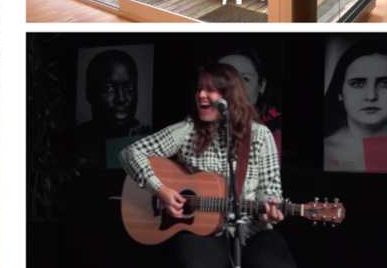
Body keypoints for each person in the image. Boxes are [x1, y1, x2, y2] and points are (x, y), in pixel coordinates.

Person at [119, 63, 294, 268]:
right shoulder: (187, 130)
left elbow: (270, 190)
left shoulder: (260, 135)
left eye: (210, 90)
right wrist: (159, 190)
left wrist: (269, 208)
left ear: (230, 96)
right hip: (199, 230)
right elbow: (130, 153)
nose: (201, 95)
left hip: (252, 230)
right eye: (199, 88)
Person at [324, 39, 387, 172]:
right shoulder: (323, 151)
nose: (371, 96)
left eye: (385, 83)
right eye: (357, 84)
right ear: (339, 92)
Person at [77, 50, 149, 168]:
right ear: (89, 93)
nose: (121, 98)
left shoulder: (150, 140)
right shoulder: (77, 139)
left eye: (129, 88)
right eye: (109, 88)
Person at [218, 47, 282, 160]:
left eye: (244, 79)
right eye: (221, 80)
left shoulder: (272, 134)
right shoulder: (193, 130)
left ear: (261, 85)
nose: (233, 88)